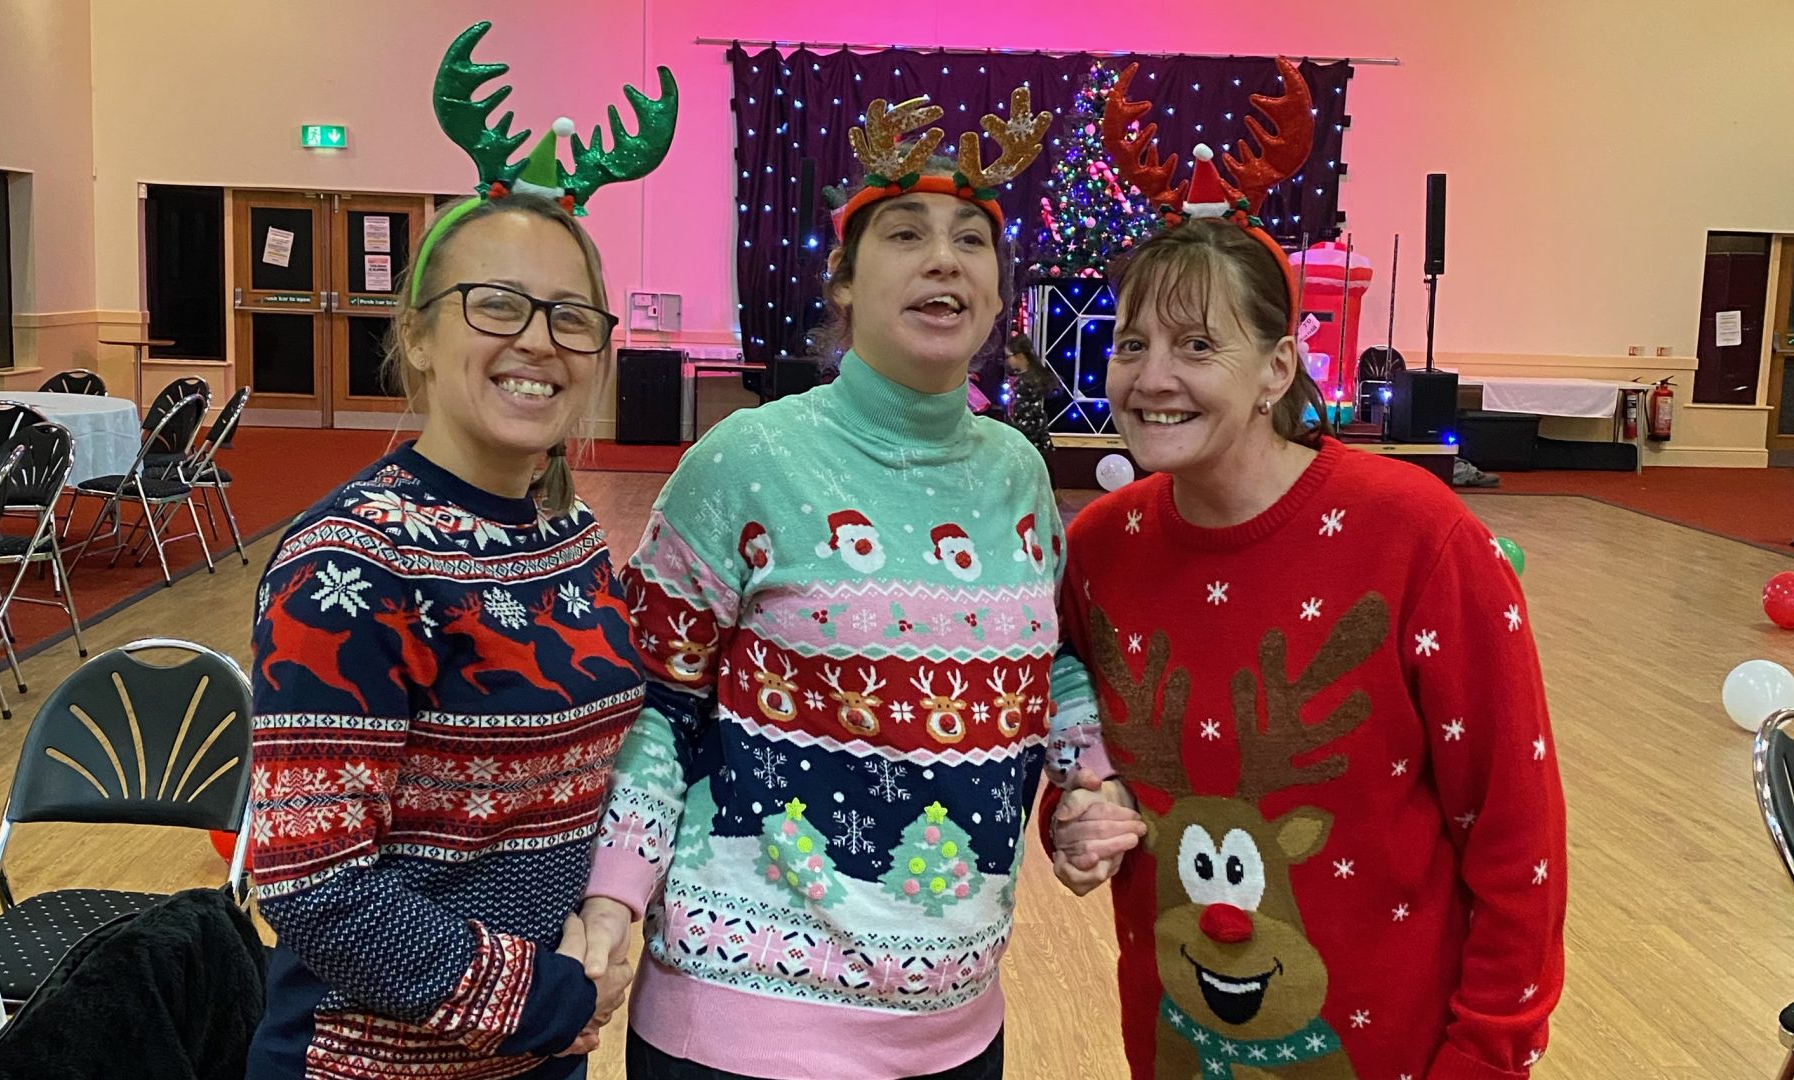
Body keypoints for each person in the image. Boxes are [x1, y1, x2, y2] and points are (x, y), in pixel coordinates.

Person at [1043, 59, 1566, 1079]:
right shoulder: (1100, 551)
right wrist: (1071, 815)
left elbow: (1516, 836)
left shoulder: (1418, 536)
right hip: (1180, 1047)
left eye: (1198, 345)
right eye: (1130, 343)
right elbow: (1072, 739)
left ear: (1278, 368)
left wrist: (1489, 1055)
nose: (1152, 378)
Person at [577, 90, 1093, 1079]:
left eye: (972, 241)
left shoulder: (1018, 474)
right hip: (740, 1031)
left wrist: (1087, 781)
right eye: (906, 233)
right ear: (843, 284)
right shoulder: (747, 459)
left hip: (956, 1028)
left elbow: (1050, 665)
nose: (944, 257)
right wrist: (611, 898)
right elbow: (651, 703)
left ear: (995, 294)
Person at [243, 22, 676, 1079]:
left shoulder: (569, 536)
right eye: (497, 305)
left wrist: (605, 928)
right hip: (371, 1064)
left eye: (571, 316)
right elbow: (313, 882)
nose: (538, 340)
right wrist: (545, 995)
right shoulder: (351, 564)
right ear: (422, 335)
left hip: (536, 1055)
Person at [1001, 335, 1054, 458]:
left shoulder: (1028, 383)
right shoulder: (1023, 380)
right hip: (1028, 440)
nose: (1007, 360)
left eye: (1009, 356)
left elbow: (1025, 416)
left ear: (1019, 356)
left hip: (1028, 443)